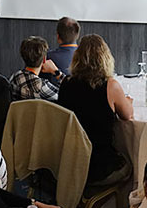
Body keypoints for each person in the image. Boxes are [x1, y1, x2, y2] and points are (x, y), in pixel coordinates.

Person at [57, 34, 133, 183]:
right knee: (131, 164)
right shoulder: (111, 85)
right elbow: (127, 115)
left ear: (77, 58)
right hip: (99, 167)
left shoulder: (66, 83)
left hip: (69, 162)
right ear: (106, 58)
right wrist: (127, 102)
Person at [9, 36, 64, 101]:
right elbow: (66, 95)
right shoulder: (41, 87)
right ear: (44, 59)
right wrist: (57, 72)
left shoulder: (14, 77)